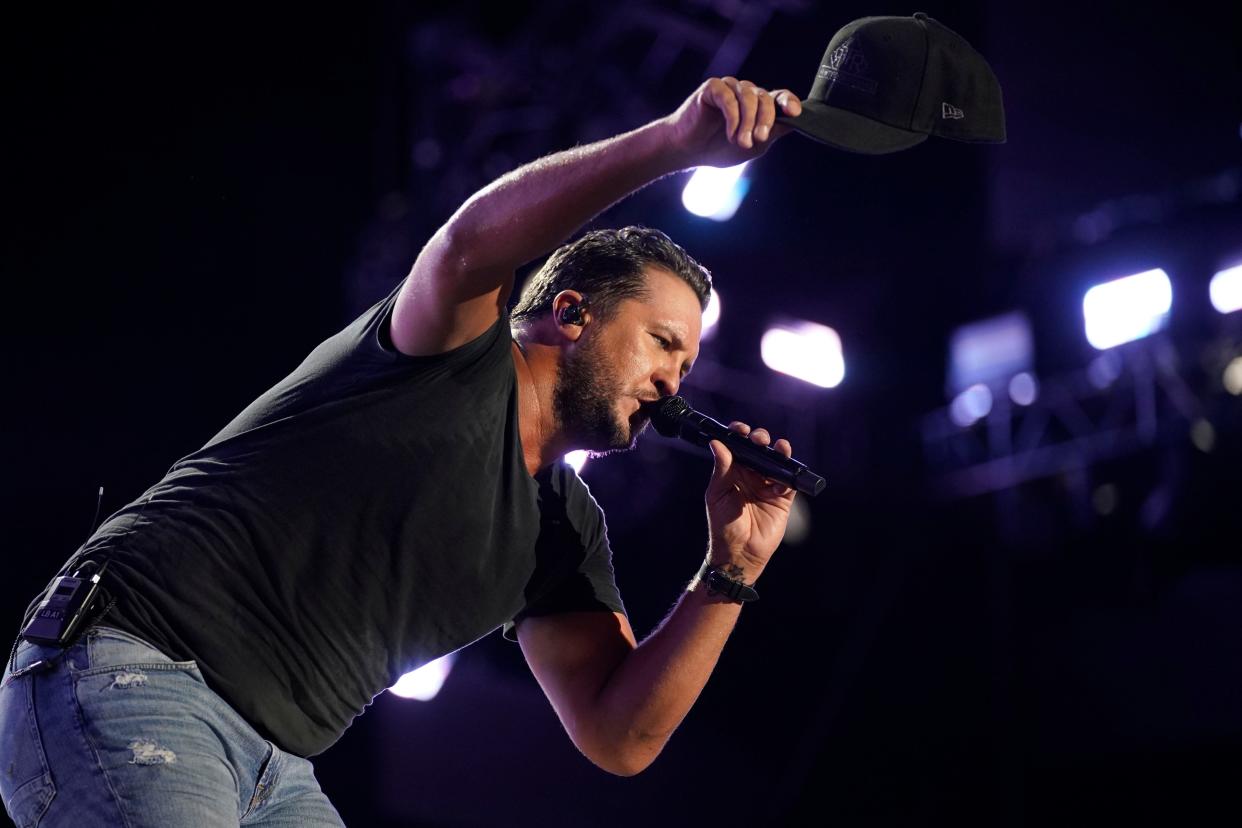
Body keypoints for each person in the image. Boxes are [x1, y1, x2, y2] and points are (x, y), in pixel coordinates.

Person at [1, 76, 805, 827]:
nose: (673, 380)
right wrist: (673, 143)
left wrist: (729, 568)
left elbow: (619, 736)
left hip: (275, 767)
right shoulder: (455, 352)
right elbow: (470, 242)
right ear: (571, 313)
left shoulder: (564, 531)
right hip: (135, 669)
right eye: (663, 342)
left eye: (688, 365)